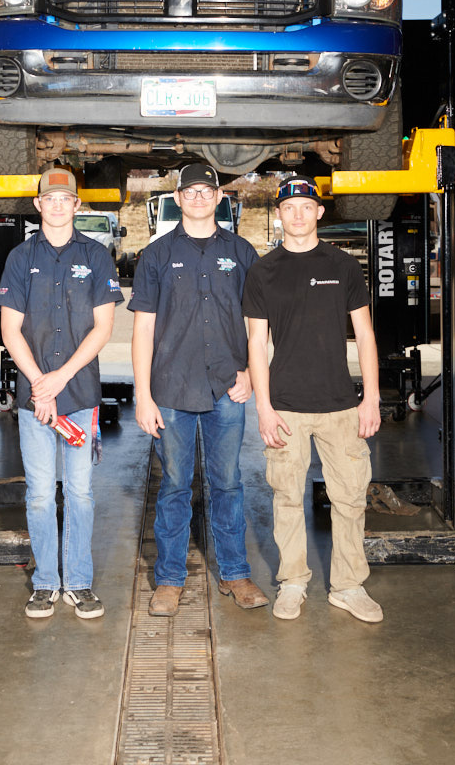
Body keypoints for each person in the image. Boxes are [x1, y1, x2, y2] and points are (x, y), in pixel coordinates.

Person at [129, 162, 268, 617]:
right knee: (173, 485)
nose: (198, 198)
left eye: (206, 191)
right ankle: (169, 580)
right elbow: (143, 329)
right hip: (171, 389)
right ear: (177, 198)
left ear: (219, 197)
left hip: (228, 387)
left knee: (227, 483)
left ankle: (235, 573)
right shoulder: (156, 255)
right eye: (190, 191)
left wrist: (250, 369)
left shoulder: (242, 252)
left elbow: (257, 323)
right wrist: (143, 394)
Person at [243, 174, 383, 623]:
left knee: (350, 498)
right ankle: (293, 582)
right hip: (285, 406)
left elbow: (365, 335)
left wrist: (372, 397)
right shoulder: (263, 271)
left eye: (306, 206)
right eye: (289, 207)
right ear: (279, 214)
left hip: (341, 405)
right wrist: (262, 408)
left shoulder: (344, 266)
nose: (298, 214)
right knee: (286, 498)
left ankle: (348, 586)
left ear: (320, 212)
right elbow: (255, 345)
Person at [0, 167, 123, 620]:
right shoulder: (19, 257)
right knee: (39, 494)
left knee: (82, 493)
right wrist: (39, 385)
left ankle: (80, 584)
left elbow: (104, 327)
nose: (56, 205)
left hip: (80, 395)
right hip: (35, 399)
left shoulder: (97, 256)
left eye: (64, 198)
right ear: (38, 205)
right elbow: (11, 330)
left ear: (76, 205)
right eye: (49, 198)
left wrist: (60, 378)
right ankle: (46, 584)